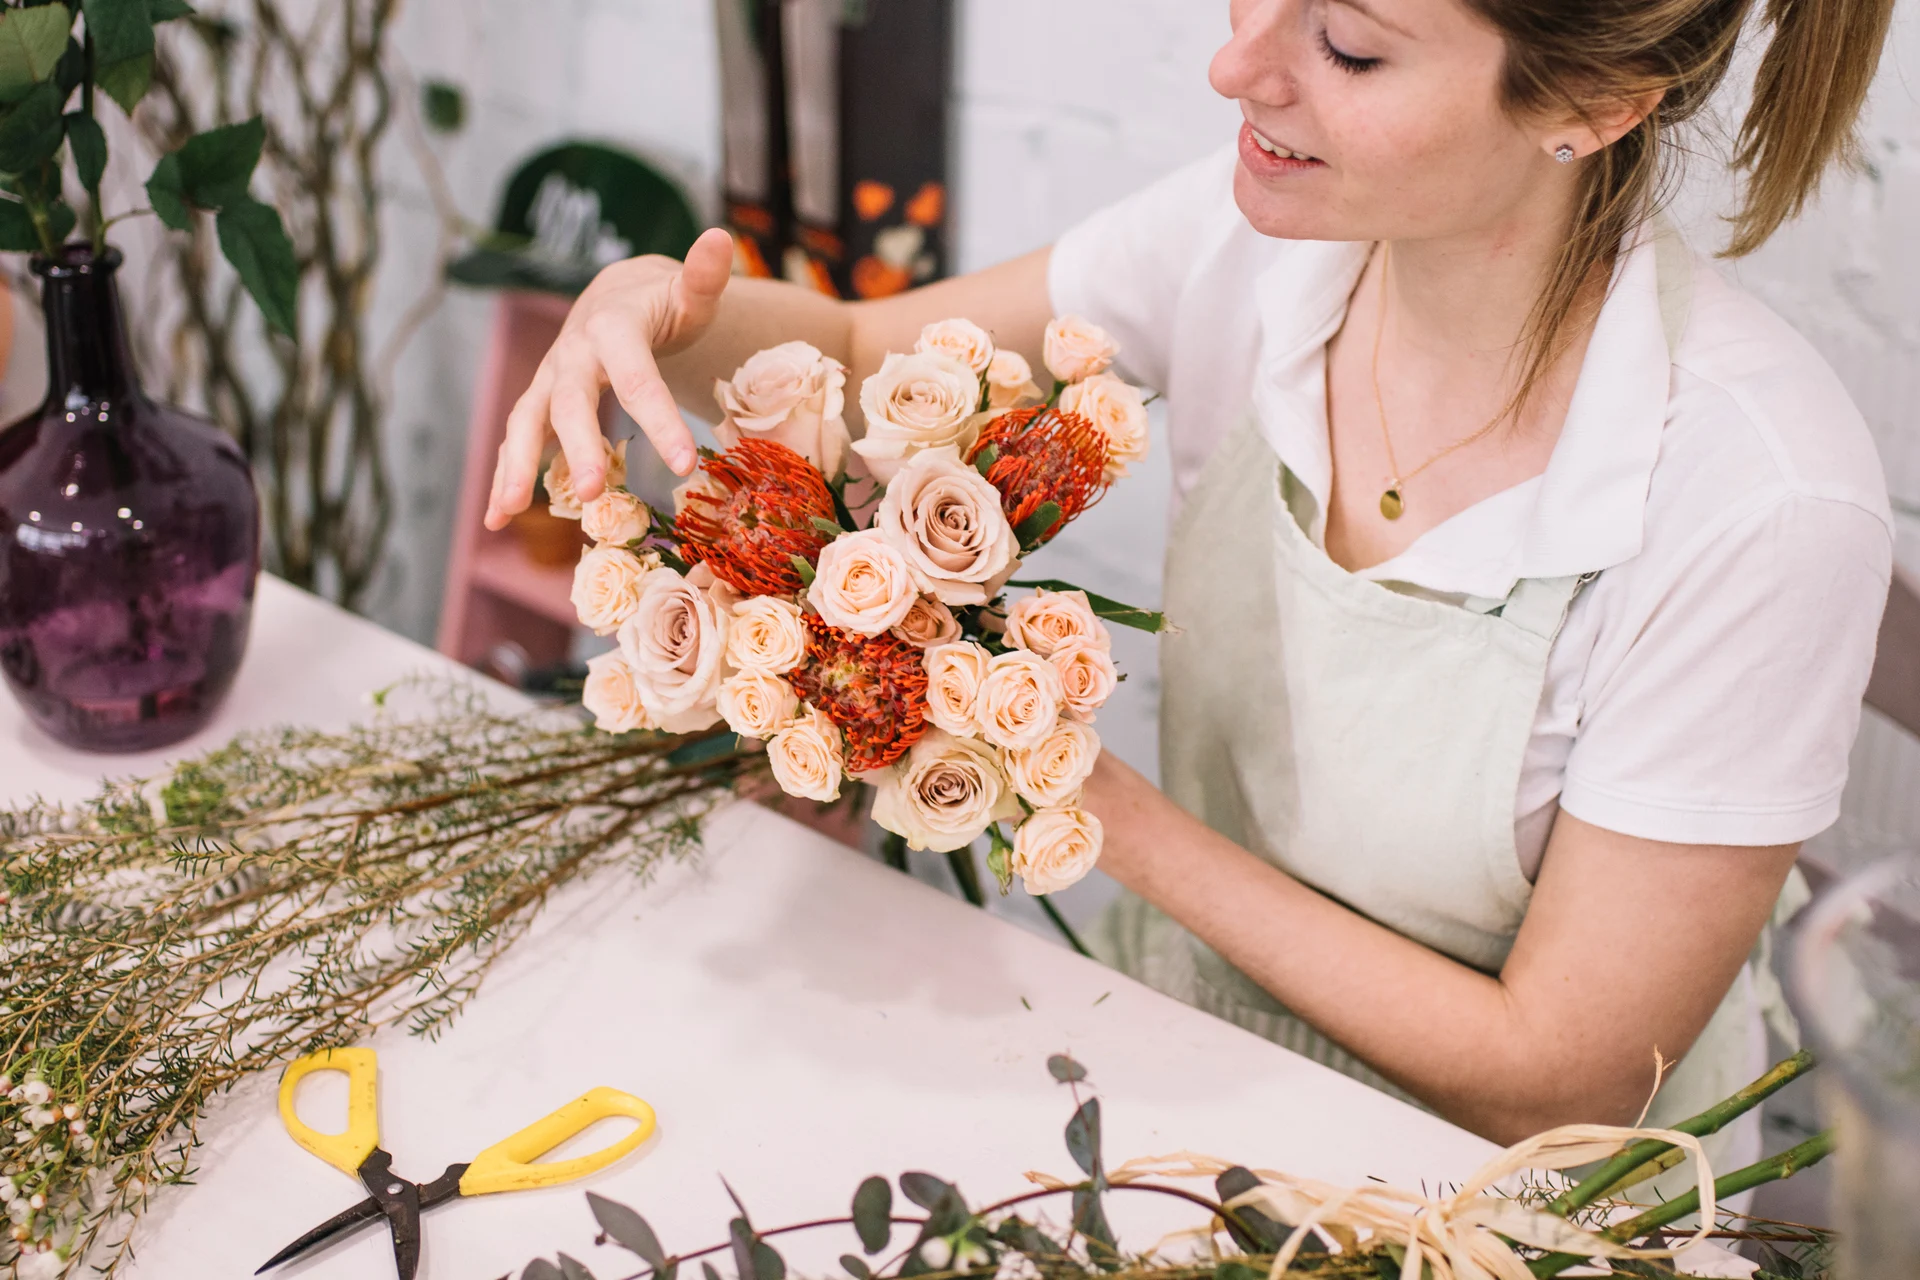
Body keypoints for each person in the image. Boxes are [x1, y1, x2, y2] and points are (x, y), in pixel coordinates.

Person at [483, 0, 1898, 1172]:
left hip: (1518, 1211)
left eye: (1349, 46)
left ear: (1588, 100)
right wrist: (661, 310)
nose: (1238, 66)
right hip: (1173, 1076)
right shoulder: (1260, 248)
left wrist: (1066, 780)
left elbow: (1553, 1077)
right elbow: (858, 357)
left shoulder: (1756, 491)